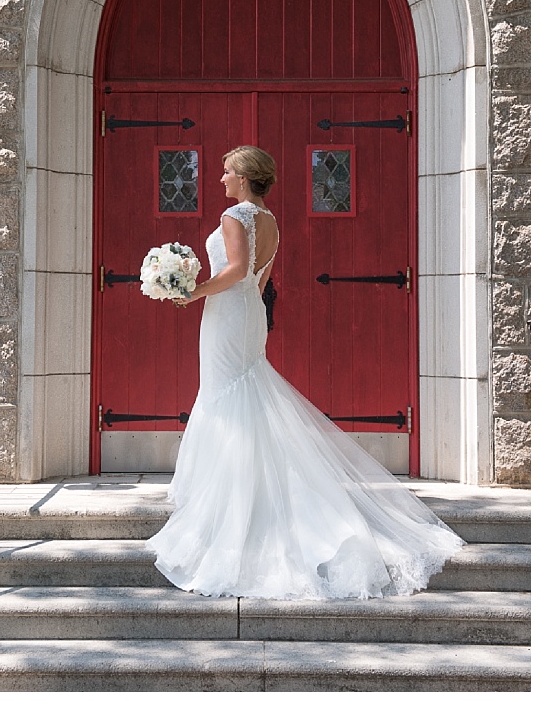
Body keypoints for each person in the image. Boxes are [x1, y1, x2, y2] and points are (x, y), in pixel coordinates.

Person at [147, 145, 464, 599]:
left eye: (226, 172)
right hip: (246, 313)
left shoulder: (234, 217)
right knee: (244, 391)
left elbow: (236, 269)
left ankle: (235, 506)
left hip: (227, 315)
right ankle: (250, 491)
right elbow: (257, 279)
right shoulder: (270, 220)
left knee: (227, 398)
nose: (220, 179)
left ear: (243, 176)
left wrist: (193, 292)